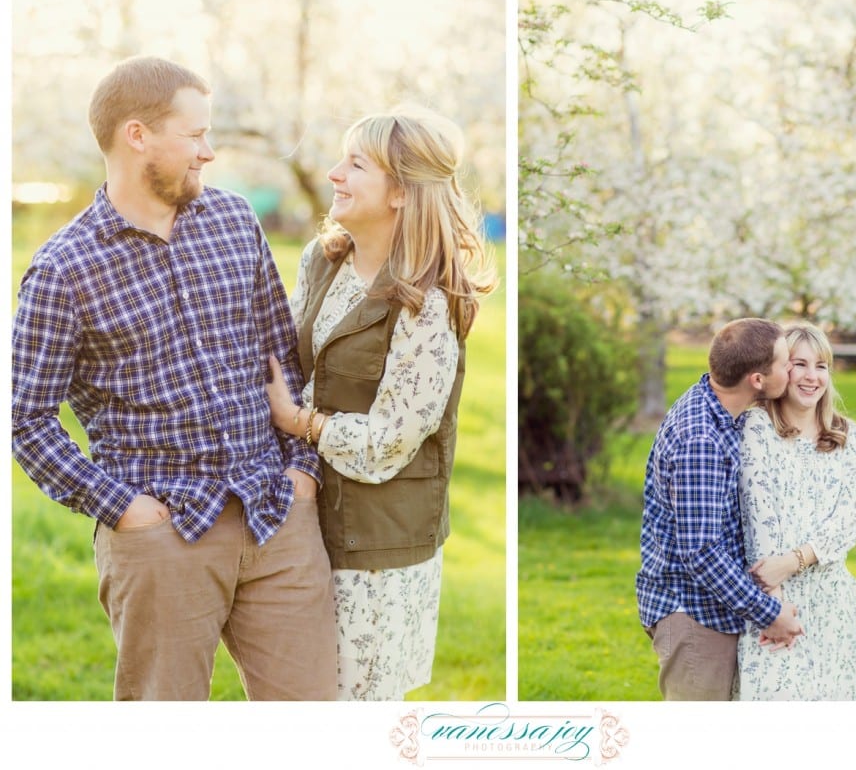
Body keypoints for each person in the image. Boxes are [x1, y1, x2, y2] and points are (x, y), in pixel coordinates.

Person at [11, 56, 337, 701]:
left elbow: (280, 352)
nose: (208, 152)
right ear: (138, 136)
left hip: (277, 516)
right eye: (194, 136)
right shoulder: (63, 269)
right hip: (162, 539)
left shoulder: (235, 220)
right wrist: (123, 510)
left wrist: (301, 472)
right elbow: (26, 418)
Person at [264, 104, 496, 701]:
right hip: (302, 518)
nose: (335, 174)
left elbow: (391, 439)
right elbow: (292, 364)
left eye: (356, 164)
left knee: (354, 712)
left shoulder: (429, 299)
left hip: (377, 549)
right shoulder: (324, 259)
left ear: (400, 192)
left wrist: (301, 423)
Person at [636, 317, 805, 701]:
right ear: (757, 380)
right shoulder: (702, 440)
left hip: (711, 609)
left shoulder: (718, 408)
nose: (792, 369)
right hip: (693, 615)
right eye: (785, 363)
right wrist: (769, 613)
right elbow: (702, 553)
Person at [734, 322, 856, 700]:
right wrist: (775, 599)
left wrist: (795, 559)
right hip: (775, 600)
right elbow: (757, 514)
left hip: (833, 600)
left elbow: (848, 521)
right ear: (780, 370)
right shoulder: (756, 427)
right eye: (799, 364)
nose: (812, 377)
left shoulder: (848, 435)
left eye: (822, 366)